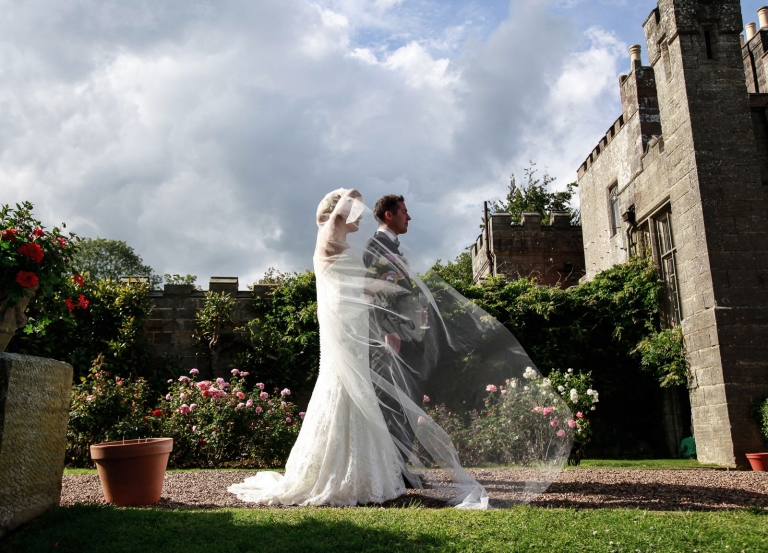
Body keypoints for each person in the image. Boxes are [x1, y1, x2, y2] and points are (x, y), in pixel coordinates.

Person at [229, 189, 406, 506]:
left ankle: (362, 473)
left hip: (352, 325)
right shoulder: (328, 231)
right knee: (343, 386)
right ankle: (335, 475)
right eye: (354, 210)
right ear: (338, 212)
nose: (360, 215)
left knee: (353, 387)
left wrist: (385, 284)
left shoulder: (339, 243)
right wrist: (350, 193)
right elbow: (340, 212)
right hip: (345, 328)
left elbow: (357, 286)